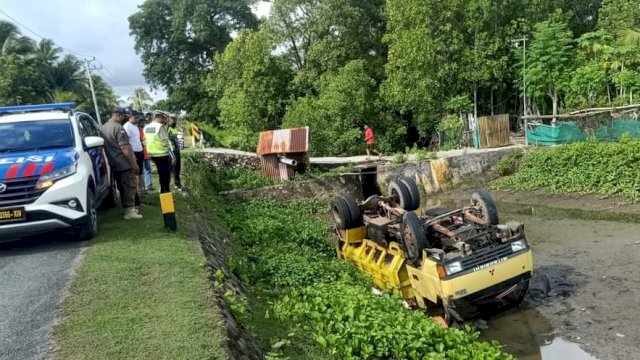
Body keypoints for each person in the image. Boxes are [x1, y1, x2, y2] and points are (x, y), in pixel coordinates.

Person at [101, 107, 143, 219]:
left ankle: (127, 208)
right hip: (123, 162)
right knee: (129, 186)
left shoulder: (103, 127)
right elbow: (125, 148)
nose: (124, 118)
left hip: (113, 162)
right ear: (119, 115)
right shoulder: (118, 128)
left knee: (121, 186)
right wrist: (134, 164)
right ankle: (129, 211)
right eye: (124, 116)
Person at [144, 112, 175, 193]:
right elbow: (165, 142)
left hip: (151, 154)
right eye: (162, 117)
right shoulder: (160, 127)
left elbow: (145, 140)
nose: (163, 119)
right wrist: (172, 156)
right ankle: (166, 194)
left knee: (161, 174)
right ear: (158, 117)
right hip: (162, 154)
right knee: (165, 176)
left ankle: (163, 191)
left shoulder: (146, 127)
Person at [124, 111, 144, 203]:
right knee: (134, 174)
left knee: (140, 173)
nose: (138, 119)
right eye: (136, 118)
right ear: (130, 117)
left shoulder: (135, 126)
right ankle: (135, 195)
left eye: (138, 118)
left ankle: (140, 192)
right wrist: (131, 155)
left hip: (139, 151)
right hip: (134, 153)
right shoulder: (127, 127)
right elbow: (126, 143)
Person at [167, 115, 184, 190]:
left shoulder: (175, 128)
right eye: (172, 119)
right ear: (169, 119)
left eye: (175, 119)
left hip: (177, 151)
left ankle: (177, 184)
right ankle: (166, 185)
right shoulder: (167, 128)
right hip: (171, 151)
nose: (174, 120)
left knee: (177, 169)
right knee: (172, 169)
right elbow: (165, 140)